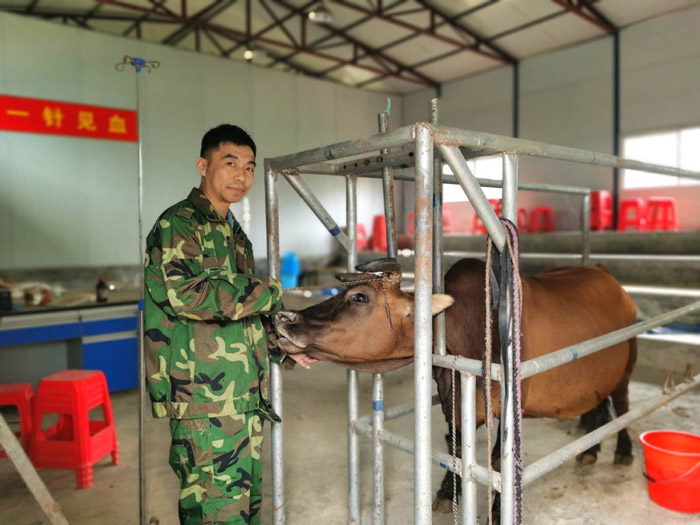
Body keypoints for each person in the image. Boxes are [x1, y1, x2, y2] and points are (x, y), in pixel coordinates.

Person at [144, 124, 315, 524]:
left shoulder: (234, 234)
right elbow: (184, 294)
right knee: (215, 510)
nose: (242, 176)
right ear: (203, 166)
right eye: (230, 163)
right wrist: (267, 290)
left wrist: (281, 347)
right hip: (203, 399)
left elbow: (241, 314)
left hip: (242, 394)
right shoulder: (179, 224)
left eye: (250, 167)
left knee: (243, 506)